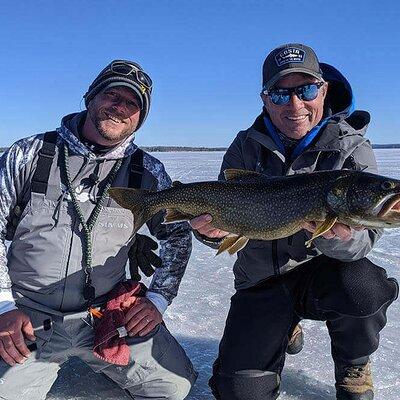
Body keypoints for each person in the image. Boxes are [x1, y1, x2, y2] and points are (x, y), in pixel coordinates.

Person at [190, 43, 398, 400]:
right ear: (265, 99)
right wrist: (211, 234)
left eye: (306, 90)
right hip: (261, 281)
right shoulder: (244, 146)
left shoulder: (351, 148)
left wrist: (336, 238)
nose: (295, 105)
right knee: (239, 392)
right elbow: (227, 214)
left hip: (323, 276)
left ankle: (354, 363)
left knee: (364, 286)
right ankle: (283, 327)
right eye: (280, 94)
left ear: (324, 90)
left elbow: (363, 244)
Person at [0, 60, 197, 400]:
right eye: (112, 95)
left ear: (141, 116)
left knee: (174, 386)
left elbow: (177, 238)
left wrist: (157, 300)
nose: (120, 107)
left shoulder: (147, 172)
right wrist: (4, 306)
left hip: (106, 314)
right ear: (90, 97)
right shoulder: (29, 155)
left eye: (132, 103)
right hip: (28, 314)